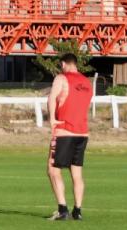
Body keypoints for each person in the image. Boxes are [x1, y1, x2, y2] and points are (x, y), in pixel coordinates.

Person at [47, 53, 91, 221]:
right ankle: (77, 211)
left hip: (64, 130)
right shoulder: (87, 82)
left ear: (64, 64)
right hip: (82, 132)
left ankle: (62, 209)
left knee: (53, 170)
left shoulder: (61, 78)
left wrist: (52, 118)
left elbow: (52, 97)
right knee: (77, 174)